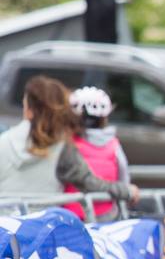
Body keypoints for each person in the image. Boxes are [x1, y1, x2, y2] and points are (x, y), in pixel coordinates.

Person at [0, 76, 137, 208]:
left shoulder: (4, 141)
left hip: (6, 223)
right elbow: (90, 184)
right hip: (43, 226)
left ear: (28, 110)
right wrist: (127, 191)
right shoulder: (61, 146)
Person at [62, 86, 132, 221]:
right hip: (107, 216)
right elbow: (124, 177)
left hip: (72, 216)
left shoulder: (69, 143)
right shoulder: (114, 145)